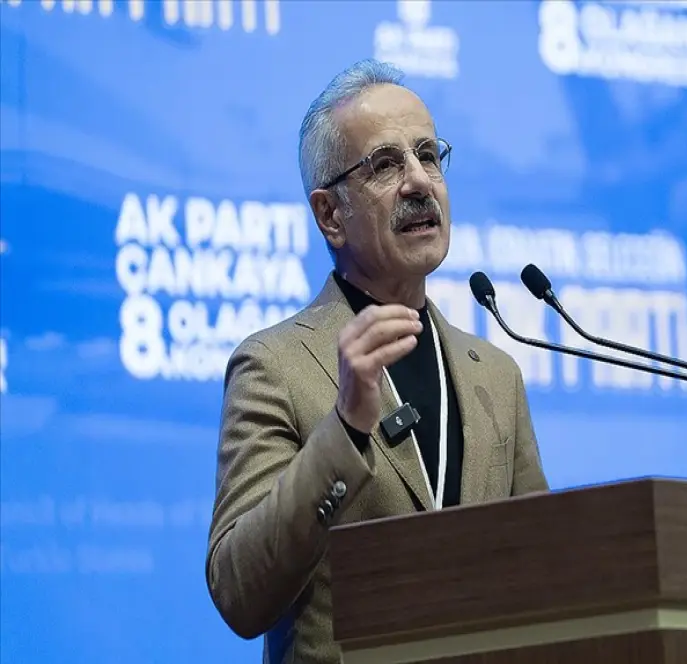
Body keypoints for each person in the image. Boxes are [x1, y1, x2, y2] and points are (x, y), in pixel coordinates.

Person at [204, 59, 549, 664]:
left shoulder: (495, 375)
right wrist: (345, 428)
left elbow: (546, 570)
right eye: (386, 165)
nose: (419, 181)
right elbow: (239, 592)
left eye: (429, 156)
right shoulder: (274, 366)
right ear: (330, 215)